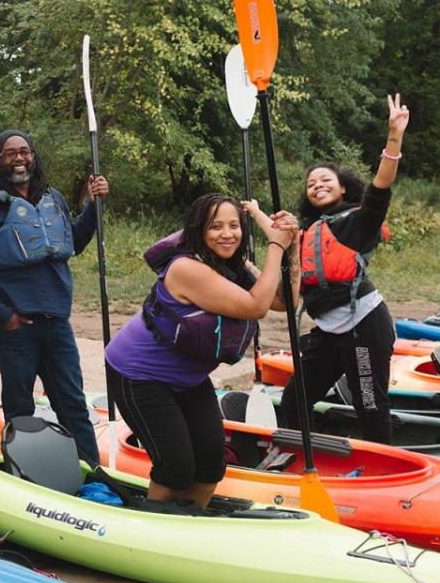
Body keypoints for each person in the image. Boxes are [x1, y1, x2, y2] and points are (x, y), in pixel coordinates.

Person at [104, 195, 298, 507]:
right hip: (139, 374)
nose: (227, 234)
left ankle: (191, 521)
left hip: (188, 379)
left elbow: (284, 302)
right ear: (198, 230)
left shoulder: (231, 264)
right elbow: (256, 306)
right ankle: (156, 529)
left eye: (234, 226)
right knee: (175, 468)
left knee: (210, 465)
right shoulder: (186, 268)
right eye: (216, 226)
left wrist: (293, 247)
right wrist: (275, 246)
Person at [0, 129, 106, 466]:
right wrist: (1, 314)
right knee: (20, 406)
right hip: (15, 328)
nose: (19, 159)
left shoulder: (52, 198)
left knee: (71, 403)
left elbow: (75, 243)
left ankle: (92, 475)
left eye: (24, 151)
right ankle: (22, 473)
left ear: (33, 156)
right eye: (9, 154)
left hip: (57, 322)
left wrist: (94, 205)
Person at [279, 94, 410, 445]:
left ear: (343, 187)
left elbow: (381, 186)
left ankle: (382, 472)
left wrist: (394, 136)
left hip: (365, 325)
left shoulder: (359, 222)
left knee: (369, 404)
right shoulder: (306, 232)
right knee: (294, 399)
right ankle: (300, 457)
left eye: (326, 181)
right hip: (327, 330)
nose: (318, 185)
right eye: (311, 184)